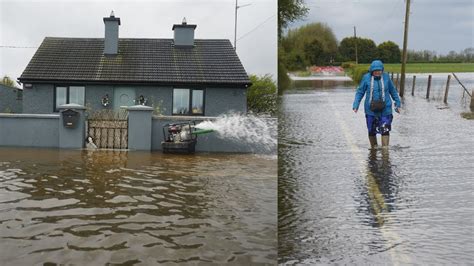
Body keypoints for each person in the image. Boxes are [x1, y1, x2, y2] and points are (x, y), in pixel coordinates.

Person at [352, 60, 401, 148]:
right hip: (370, 109)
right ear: (371, 71)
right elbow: (360, 92)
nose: (378, 72)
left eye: (379, 71)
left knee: (385, 129)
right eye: (375, 71)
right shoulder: (366, 78)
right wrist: (356, 105)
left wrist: (398, 103)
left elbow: (393, 91)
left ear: (382, 70)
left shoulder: (386, 78)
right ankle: (373, 149)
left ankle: (385, 150)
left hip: (386, 109)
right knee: (371, 129)